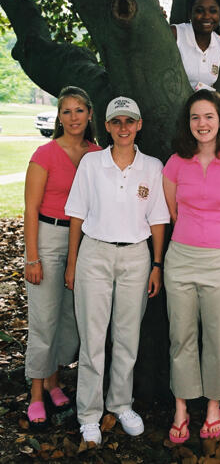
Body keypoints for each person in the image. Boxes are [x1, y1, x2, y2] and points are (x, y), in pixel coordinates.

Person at [64, 96, 170, 446]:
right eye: (116, 121)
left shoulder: (152, 167)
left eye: (130, 121)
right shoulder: (92, 163)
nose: (123, 127)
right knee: (93, 339)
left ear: (139, 125)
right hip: (94, 254)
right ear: (107, 126)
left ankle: (120, 404)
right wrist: (72, 262)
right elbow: (77, 214)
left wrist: (156, 264)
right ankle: (89, 414)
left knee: (127, 337)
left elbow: (157, 219)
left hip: (136, 258)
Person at [163, 89, 220, 443]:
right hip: (181, 260)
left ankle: (215, 405)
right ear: (188, 124)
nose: (202, 124)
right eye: (195, 117)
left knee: (218, 337)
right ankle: (182, 407)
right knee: (181, 336)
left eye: (209, 117)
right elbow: (172, 212)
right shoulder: (175, 162)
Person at [24, 86, 100, 429]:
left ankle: (54, 381)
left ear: (89, 114)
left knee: (70, 321)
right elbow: (29, 209)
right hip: (49, 236)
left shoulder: (98, 154)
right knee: (44, 319)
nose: (73, 117)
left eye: (79, 110)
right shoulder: (45, 154)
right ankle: (37, 393)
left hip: (85, 241)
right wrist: (32, 258)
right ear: (59, 117)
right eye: (66, 111)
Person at [171, 0, 220, 90]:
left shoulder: (218, 42)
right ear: (190, 14)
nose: (207, 16)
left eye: (213, 11)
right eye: (199, 11)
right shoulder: (176, 34)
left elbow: (208, 83)